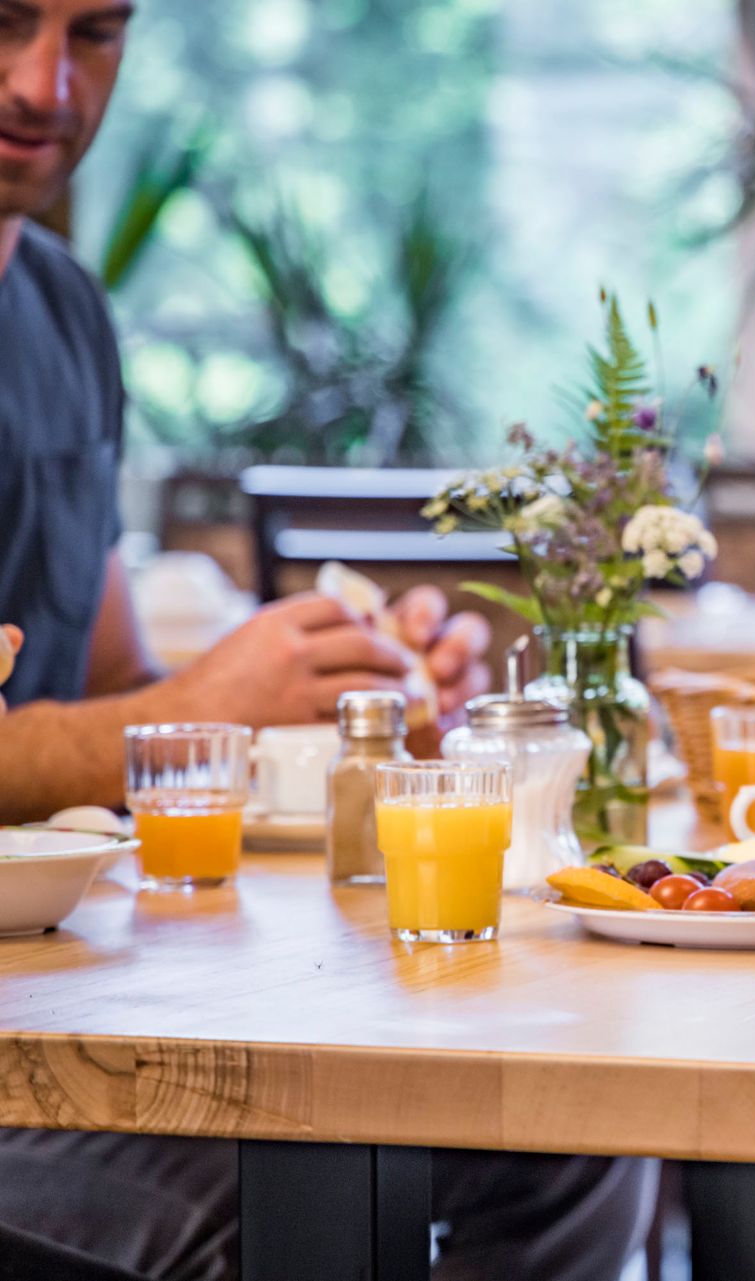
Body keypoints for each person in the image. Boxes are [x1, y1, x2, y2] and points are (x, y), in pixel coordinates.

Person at [0, 3, 650, 1275]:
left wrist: (318, 686)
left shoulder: (65, 311)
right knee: (316, 1190)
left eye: (95, 32)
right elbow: (139, 721)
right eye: (9, 22)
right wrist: (207, 704)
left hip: (85, 990)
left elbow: (121, 689)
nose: (46, 83)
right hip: (30, 1077)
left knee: (577, 1123)